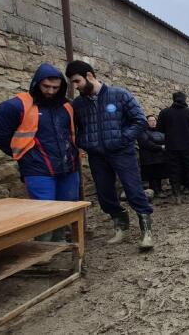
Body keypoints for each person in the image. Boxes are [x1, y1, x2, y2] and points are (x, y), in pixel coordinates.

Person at [66, 60, 154, 250]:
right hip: (97, 156)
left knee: (133, 190)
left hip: (122, 152)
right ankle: (120, 224)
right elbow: (76, 128)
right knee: (104, 194)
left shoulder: (119, 94)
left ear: (90, 76)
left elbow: (140, 120)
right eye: (72, 83)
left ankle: (146, 230)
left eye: (77, 81)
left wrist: (122, 139)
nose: (75, 86)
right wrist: (84, 142)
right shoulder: (79, 104)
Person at [0, 63, 79, 242]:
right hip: (38, 168)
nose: (50, 91)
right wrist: (24, 154)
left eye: (55, 87)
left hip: (68, 166)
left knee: (66, 207)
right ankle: (43, 247)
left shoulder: (67, 106)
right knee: (42, 211)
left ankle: (59, 241)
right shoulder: (16, 106)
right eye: (46, 86)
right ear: (36, 83)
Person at [157, 91, 189, 203]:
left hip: (171, 146)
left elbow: (160, 129)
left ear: (173, 99)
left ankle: (177, 197)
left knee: (174, 171)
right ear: (185, 99)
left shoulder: (164, 112)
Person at [138, 115, 168, 198]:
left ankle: (159, 190)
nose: (153, 122)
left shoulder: (160, 131)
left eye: (154, 120)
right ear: (146, 122)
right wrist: (161, 147)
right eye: (150, 121)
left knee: (159, 175)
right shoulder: (142, 132)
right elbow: (147, 144)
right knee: (152, 175)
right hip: (149, 158)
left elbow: (165, 140)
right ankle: (156, 191)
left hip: (160, 157)